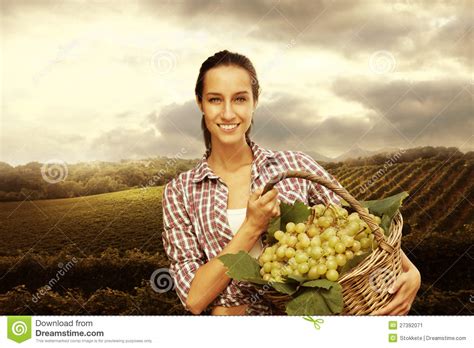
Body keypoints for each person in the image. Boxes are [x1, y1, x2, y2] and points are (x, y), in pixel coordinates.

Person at [162, 50, 421, 316]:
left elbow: (356, 225)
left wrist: (411, 272)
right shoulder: (180, 192)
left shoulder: (295, 166)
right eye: (215, 99)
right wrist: (252, 227)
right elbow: (194, 298)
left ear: (254, 102)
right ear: (200, 103)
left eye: (240, 99)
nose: (228, 113)